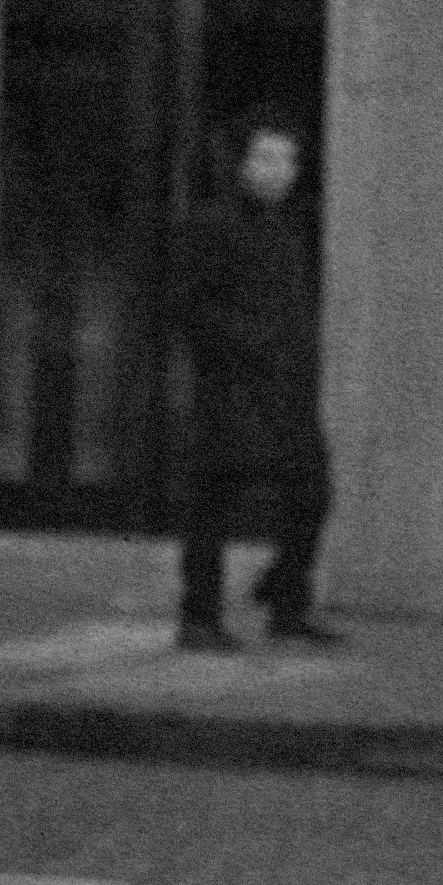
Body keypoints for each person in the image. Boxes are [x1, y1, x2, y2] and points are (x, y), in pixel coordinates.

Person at [174, 118, 335, 652]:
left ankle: (286, 605)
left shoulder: (289, 229)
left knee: (311, 491)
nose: (277, 171)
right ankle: (199, 617)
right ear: (242, 162)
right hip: (232, 386)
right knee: (214, 499)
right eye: (265, 158)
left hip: (285, 390)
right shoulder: (214, 224)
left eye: (287, 159)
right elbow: (190, 307)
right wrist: (251, 346)